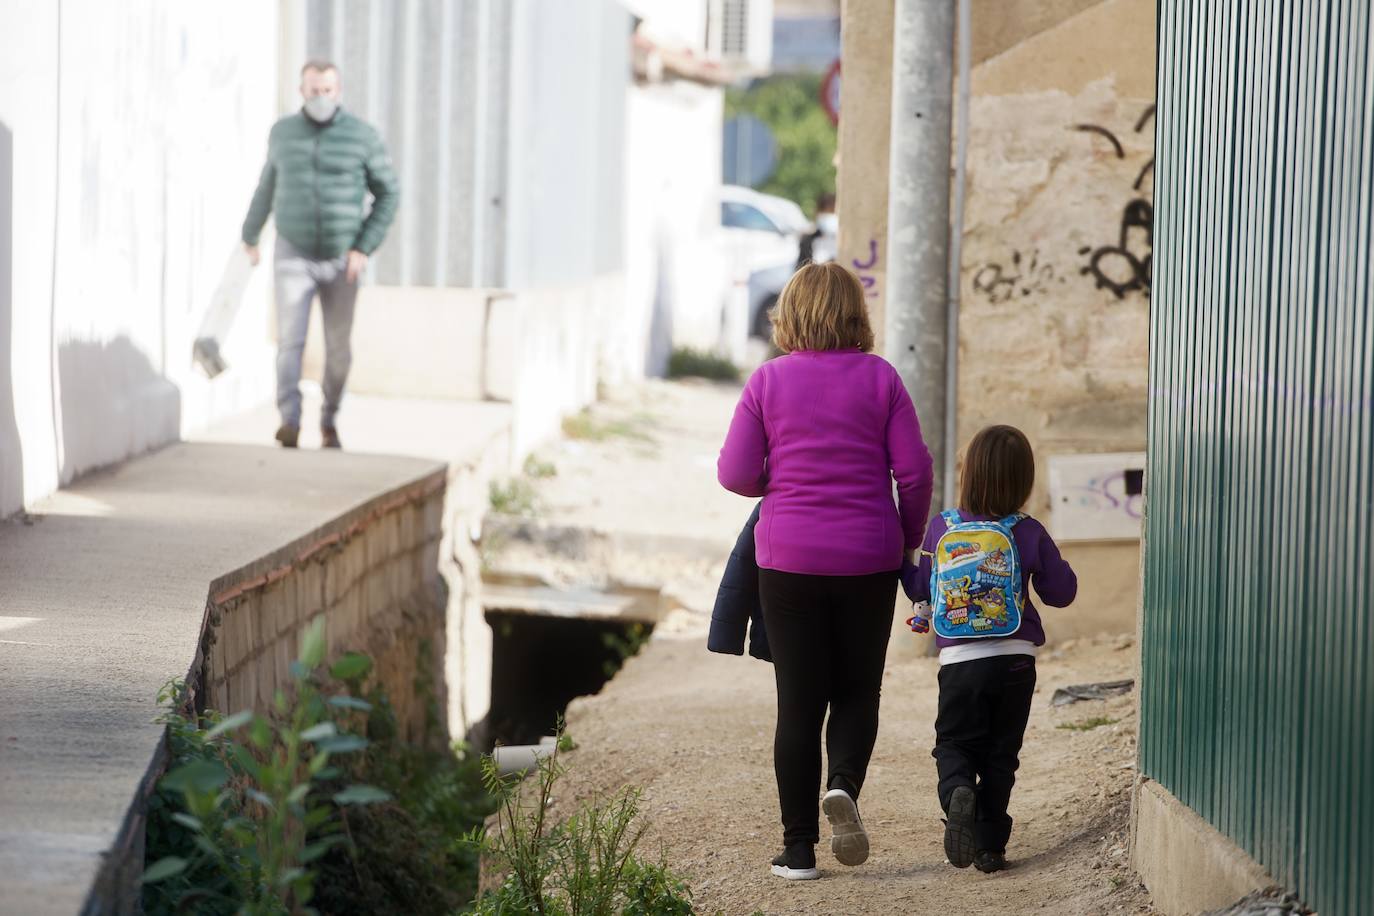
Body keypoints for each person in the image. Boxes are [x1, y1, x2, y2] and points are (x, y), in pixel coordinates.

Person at [717, 262, 934, 881]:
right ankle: (841, 785)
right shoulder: (882, 378)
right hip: (868, 556)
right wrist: (905, 545)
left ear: (789, 317)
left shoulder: (767, 381)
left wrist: (780, 481)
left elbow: (734, 474)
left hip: (787, 559)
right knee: (858, 691)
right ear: (855, 317)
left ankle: (799, 848)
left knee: (799, 703)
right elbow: (914, 473)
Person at [902, 425, 1077, 874]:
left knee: (955, 742)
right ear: (1023, 480)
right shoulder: (1029, 530)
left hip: (961, 661)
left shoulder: (944, 527)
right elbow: (1061, 594)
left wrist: (907, 564)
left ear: (967, 474)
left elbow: (921, 586)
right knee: (1001, 755)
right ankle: (990, 847)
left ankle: (958, 788)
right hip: (1017, 659)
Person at [241, 60, 400, 450]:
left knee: (338, 347)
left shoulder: (362, 136)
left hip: (342, 257)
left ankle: (329, 420)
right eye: (313, 90)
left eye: (327, 90)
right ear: (302, 92)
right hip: (293, 250)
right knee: (290, 341)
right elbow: (267, 186)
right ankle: (289, 421)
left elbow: (389, 193)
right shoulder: (284, 134)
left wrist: (364, 246)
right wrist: (251, 234)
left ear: (338, 91)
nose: (320, 97)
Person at [795, 192, 837, 270]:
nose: (829, 215)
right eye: (826, 211)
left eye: (832, 211)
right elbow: (800, 271)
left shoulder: (845, 242)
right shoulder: (808, 240)